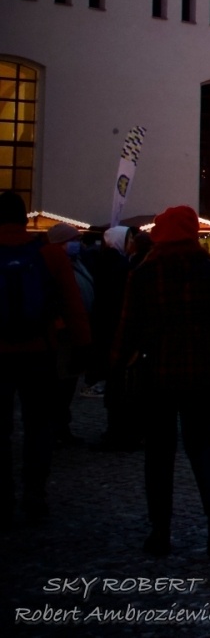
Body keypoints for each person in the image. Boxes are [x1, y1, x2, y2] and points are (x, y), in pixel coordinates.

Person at [110, 205, 210, 558]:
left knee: (159, 455)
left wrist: (116, 367)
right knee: (204, 449)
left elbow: (128, 326)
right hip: (203, 373)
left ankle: (161, 531)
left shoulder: (145, 273)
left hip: (157, 374)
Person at [0, 191, 91, 526]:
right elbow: (72, 303)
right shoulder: (49, 254)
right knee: (38, 425)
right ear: (25, 218)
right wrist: (83, 346)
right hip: (40, 350)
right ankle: (35, 492)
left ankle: (4, 494)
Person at [85, 225, 140, 450]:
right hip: (113, 330)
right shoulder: (118, 266)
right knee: (117, 384)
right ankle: (118, 431)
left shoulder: (107, 262)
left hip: (107, 330)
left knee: (116, 383)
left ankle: (116, 429)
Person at [45, 223, 94, 446]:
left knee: (67, 383)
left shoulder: (75, 263)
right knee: (60, 384)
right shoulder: (54, 264)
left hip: (73, 331)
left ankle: (60, 426)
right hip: (62, 333)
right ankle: (56, 427)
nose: (78, 243)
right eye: (74, 240)